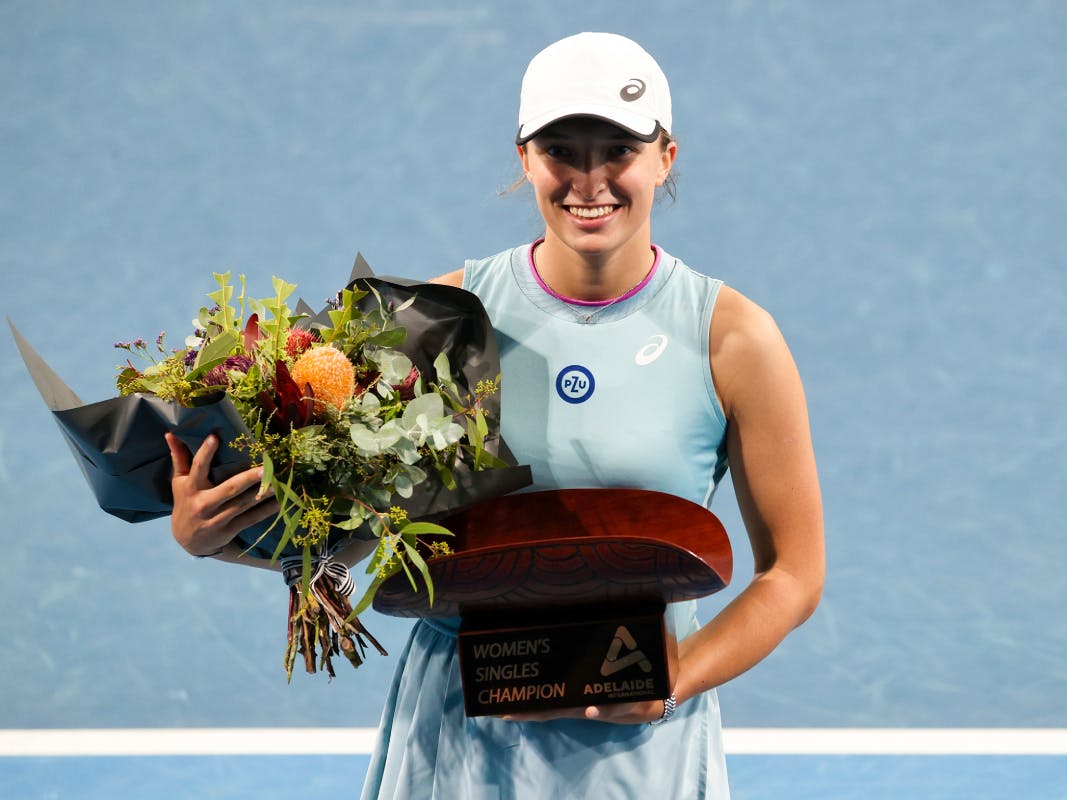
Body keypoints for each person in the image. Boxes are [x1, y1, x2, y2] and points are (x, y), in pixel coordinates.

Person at [166, 32, 824, 800]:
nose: (589, 179)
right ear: (524, 157)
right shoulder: (432, 321)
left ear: (665, 158)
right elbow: (342, 540)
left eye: (617, 149)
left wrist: (679, 676)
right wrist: (222, 539)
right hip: (461, 744)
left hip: (639, 745)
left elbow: (794, 574)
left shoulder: (736, 339)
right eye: (560, 150)